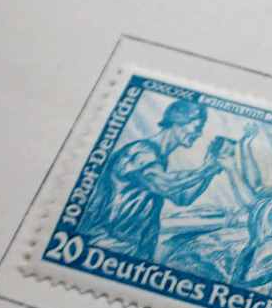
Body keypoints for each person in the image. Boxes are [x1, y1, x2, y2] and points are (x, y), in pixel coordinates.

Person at [163, 127, 272, 297]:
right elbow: (258, 189)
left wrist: (231, 168)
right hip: (252, 261)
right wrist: (245, 146)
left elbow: (252, 203)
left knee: (188, 259)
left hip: (259, 276)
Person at [78, 100, 221, 260]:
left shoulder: (158, 160)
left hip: (137, 246)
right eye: (197, 127)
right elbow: (166, 185)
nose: (199, 134)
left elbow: (182, 198)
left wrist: (213, 168)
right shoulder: (141, 151)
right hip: (109, 243)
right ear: (178, 121)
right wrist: (205, 170)